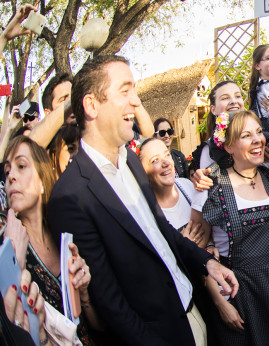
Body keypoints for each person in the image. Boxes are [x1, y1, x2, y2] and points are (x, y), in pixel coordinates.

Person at [47, 55, 238, 345]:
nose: (136, 102)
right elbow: (110, 302)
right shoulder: (70, 196)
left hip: (193, 311)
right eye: (125, 91)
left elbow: (160, 231)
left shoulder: (133, 163)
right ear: (91, 105)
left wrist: (206, 263)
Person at [200, 109, 269, 345]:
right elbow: (201, 253)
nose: (258, 139)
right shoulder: (212, 184)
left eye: (259, 132)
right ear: (228, 146)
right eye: (246, 135)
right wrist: (220, 303)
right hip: (237, 291)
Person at [4, 136, 102, 345]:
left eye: (21, 166)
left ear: (42, 180)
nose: (11, 176)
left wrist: (84, 296)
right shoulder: (11, 251)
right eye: (6, 172)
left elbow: (97, 325)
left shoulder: (66, 237)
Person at [138, 138, 208, 248]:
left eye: (167, 155)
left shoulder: (187, 186)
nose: (166, 163)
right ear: (142, 171)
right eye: (155, 160)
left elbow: (207, 228)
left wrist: (211, 245)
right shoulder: (145, 212)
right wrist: (184, 248)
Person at [189, 80, 244, 178]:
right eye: (225, 98)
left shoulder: (259, 136)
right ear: (213, 110)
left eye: (238, 96)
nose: (233, 101)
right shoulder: (209, 150)